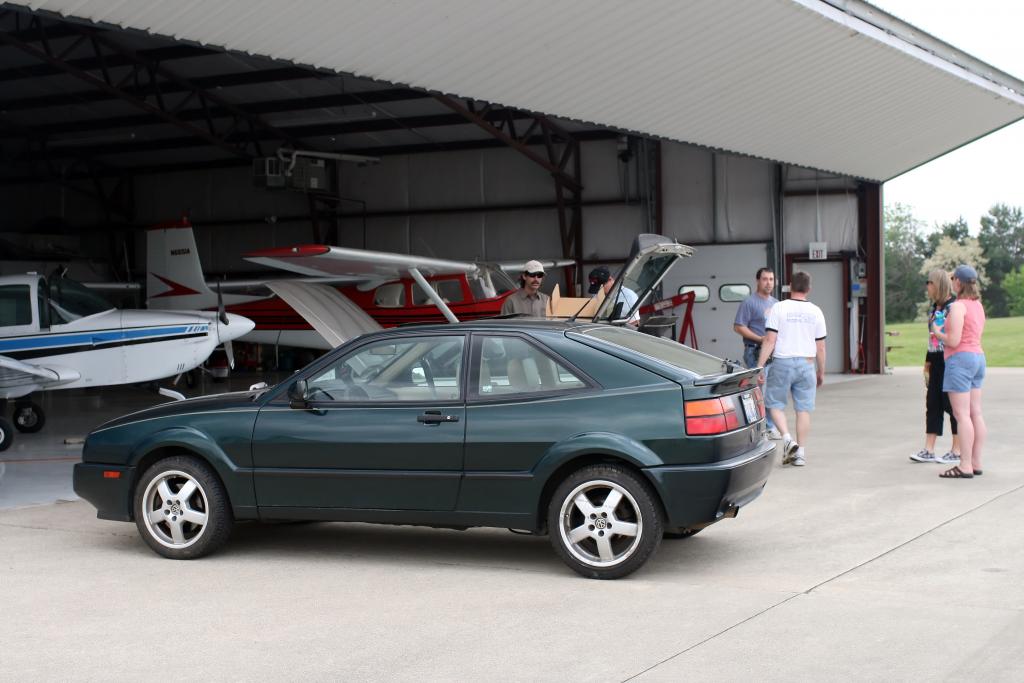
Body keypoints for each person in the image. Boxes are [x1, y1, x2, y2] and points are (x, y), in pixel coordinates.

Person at [756, 270, 826, 467]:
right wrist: (821, 371)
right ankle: (800, 453)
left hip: (783, 363)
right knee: (803, 409)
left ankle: (787, 439)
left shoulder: (779, 308)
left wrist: (759, 366)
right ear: (809, 289)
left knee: (774, 404)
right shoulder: (816, 311)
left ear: (790, 286)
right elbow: (821, 346)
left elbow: (770, 340)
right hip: (807, 363)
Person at [932, 264, 987, 479]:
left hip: (960, 360)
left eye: (954, 279)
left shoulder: (957, 307)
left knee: (962, 415)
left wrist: (937, 332)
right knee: (976, 413)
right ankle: (975, 462)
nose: (952, 282)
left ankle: (964, 465)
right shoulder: (978, 306)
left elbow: (953, 340)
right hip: (978, 358)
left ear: (958, 283)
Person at [909, 269, 960, 464]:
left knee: (952, 405)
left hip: (950, 360)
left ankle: (956, 450)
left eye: (929, 282)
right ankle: (929, 449)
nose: (926, 286)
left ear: (938, 285)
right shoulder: (935, 308)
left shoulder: (953, 307)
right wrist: (927, 363)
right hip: (936, 360)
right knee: (932, 403)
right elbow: (932, 339)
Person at [734, 267, 781, 438]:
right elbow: (738, 327)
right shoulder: (749, 303)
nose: (768, 283)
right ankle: (766, 426)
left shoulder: (776, 304)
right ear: (757, 281)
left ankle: (767, 424)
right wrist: (760, 339)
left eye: (771, 279)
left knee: (771, 390)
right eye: (765, 279)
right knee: (760, 389)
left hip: (772, 354)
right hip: (754, 352)